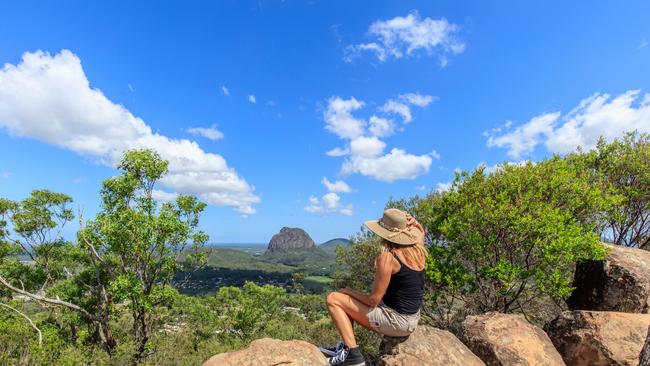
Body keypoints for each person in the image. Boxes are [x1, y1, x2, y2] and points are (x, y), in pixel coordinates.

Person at [320, 208, 428, 366]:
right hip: (412, 318)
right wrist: (415, 223)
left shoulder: (388, 258)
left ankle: (353, 356)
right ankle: (345, 347)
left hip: (397, 322)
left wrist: (349, 292)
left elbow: (372, 301)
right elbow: (421, 232)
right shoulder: (418, 249)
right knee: (347, 301)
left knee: (334, 299)